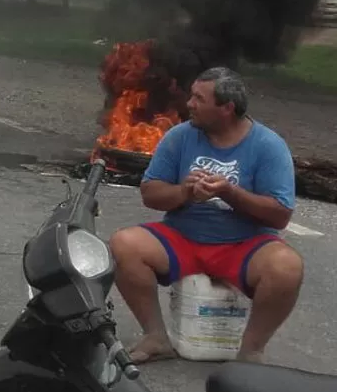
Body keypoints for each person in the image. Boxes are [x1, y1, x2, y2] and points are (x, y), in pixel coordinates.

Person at [107, 67, 304, 364]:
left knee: (287, 267)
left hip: (243, 244)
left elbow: (279, 216)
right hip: (183, 238)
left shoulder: (268, 146)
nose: (189, 104)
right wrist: (184, 192)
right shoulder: (180, 137)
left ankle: (250, 353)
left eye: (199, 99)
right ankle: (156, 337)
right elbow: (150, 193)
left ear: (226, 108)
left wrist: (229, 193)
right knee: (124, 244)